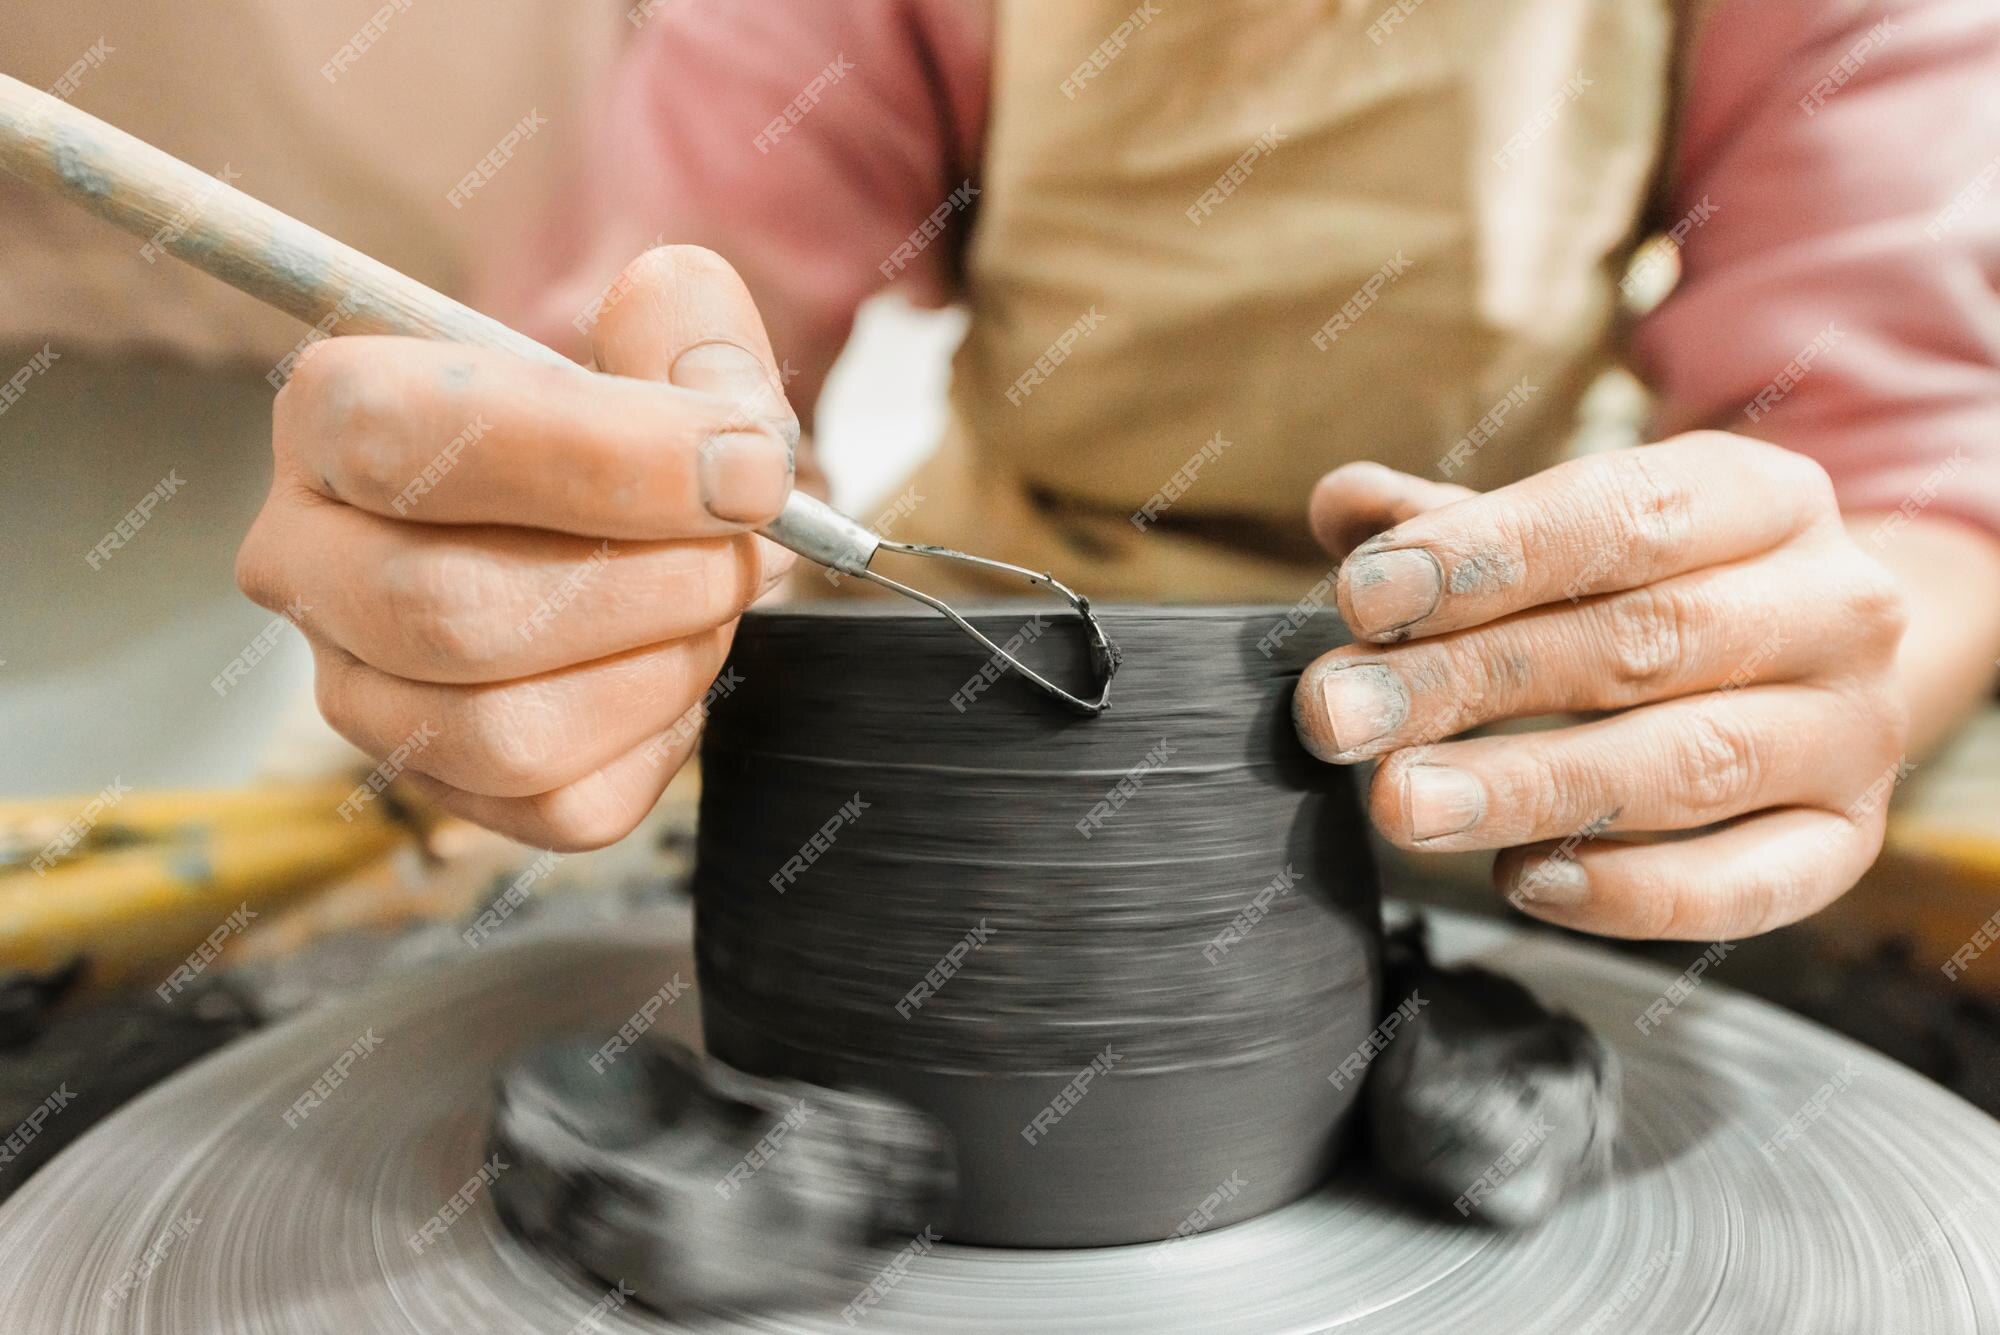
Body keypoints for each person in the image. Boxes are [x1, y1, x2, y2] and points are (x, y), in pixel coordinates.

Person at [234, 0, 2000, 941]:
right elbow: (646, 339)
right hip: (984, 676)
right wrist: (585, 573)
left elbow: (1915, 479)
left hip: (1498, 707)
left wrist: (1804, 680)